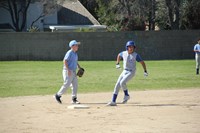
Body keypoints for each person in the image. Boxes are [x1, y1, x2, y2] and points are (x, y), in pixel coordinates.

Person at [107, 41, 148, 106]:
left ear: (134, 48)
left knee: (122, 82)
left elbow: (142, 62)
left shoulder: (136, 55)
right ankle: (113, 101)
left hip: (131, 72)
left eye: (132, 47)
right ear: (127, 47)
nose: (131, 48)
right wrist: (117, 63)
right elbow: (119, 55)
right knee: (117, 84)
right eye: (129, 47)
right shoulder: (124, 53)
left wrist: (145, 71)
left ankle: (126, 95)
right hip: (124, 71)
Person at [55, 40, 82, 104]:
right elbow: (65, 61)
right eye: (76, 45)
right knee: (66, 84)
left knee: (75, 85)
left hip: (73, 71)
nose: (77, 46)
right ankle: (58, 95)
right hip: (68, 71)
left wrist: (79, 67)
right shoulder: (69, 52)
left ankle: (74, 99)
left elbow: (75, 61)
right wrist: (68, 70)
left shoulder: (75, 53)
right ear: (72, 46)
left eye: (77, 45)